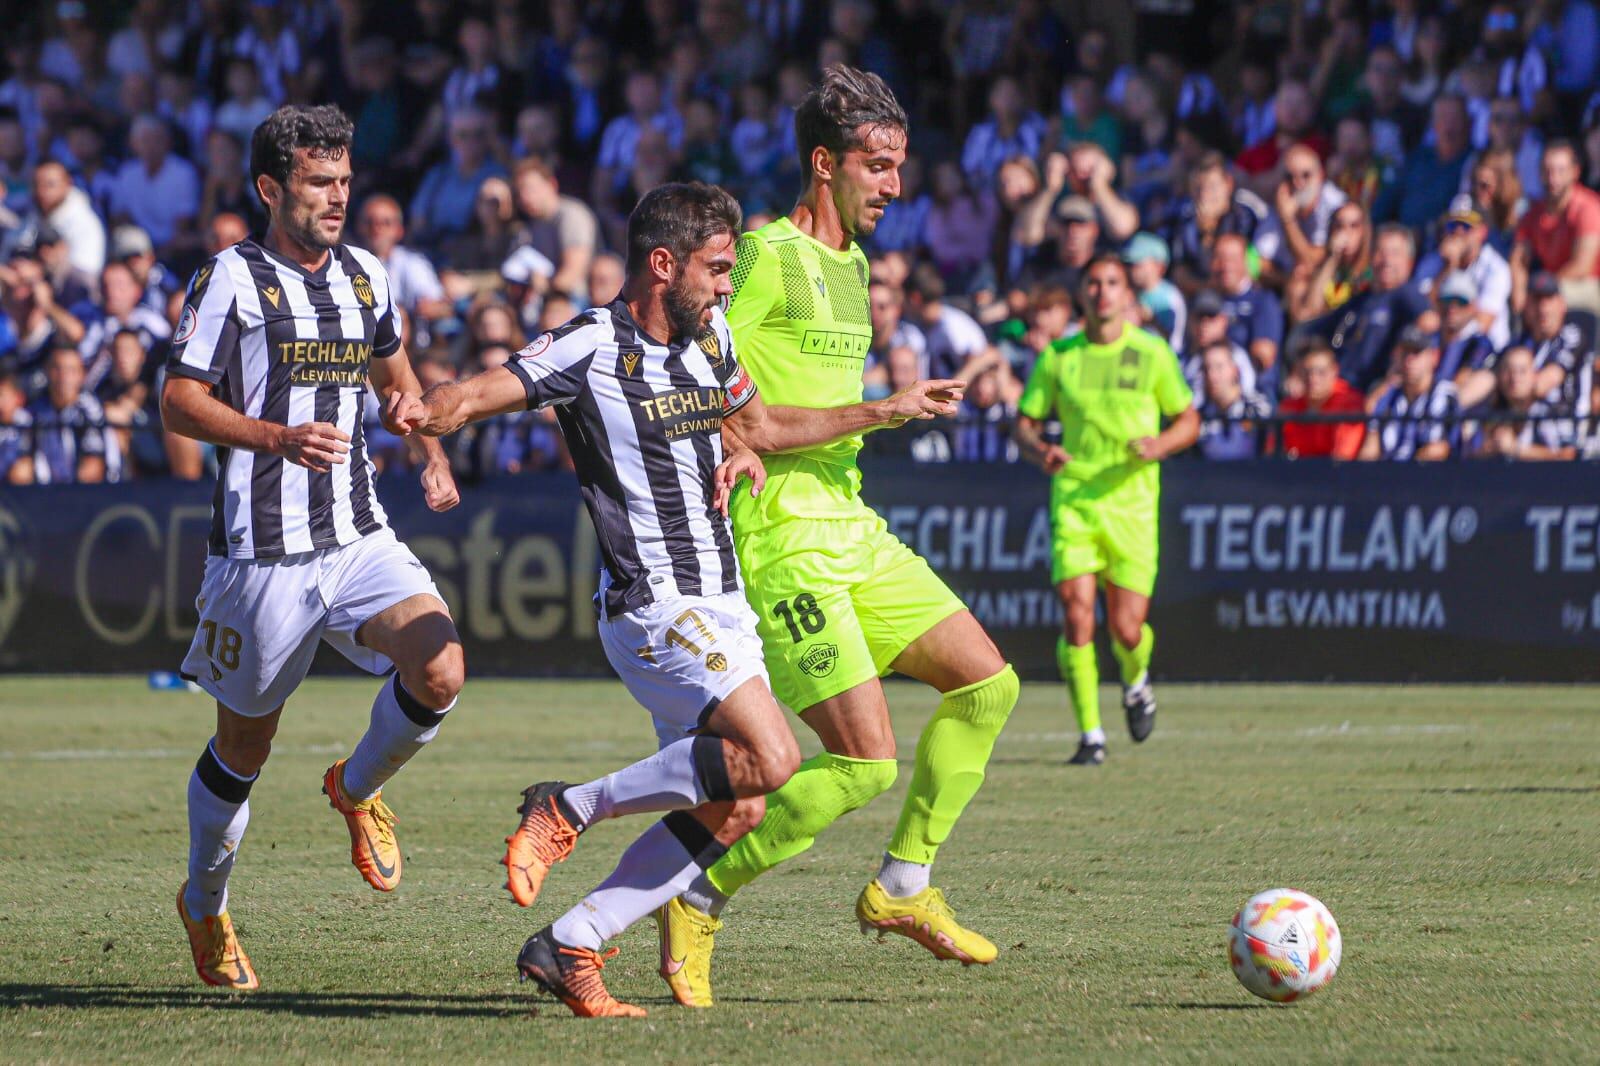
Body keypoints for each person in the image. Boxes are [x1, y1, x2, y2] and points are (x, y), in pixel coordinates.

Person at [390, 181, 963, 1016]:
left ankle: (572, 942)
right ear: (664, 264)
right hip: (652, 601)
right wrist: (426, 411)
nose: (729, 285)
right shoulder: (591, 343)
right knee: (775, 758)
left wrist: (865, 416)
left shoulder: (713, 337)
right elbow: (479, 393)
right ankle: (567, 806)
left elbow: (755, 428)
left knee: (738, 803)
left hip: (721, 596)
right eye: (718, 268)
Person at [658, 67, 1022, 1003]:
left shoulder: (856, 268)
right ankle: (698, 897)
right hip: (777, 533)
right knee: (862, 764)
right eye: (877, 164)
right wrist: (880, 410)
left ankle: (902, 886)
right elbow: (721, 394)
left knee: (988, 685)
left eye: (900, 166)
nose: (894, 185)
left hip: (851, 524)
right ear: (825, 165)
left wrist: (874, 417)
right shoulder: (764, 257)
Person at [160, 105, 464, 992]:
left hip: (356, 535)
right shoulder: (230, 278)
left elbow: (392, 368)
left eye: (345, 179)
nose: (340, 198)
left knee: (441, 668)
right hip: (262, 558)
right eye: (320, 183)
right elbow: (179, 401)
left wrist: (429, 446)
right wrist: (271, 438)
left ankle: (357, 786)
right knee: (243, 749)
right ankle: (206, 906)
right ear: (271, 188)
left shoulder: (367, 275)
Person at [1015, 255, 1199, 765]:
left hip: (1133, 503)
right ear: (1083, 294)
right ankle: (1090, 735)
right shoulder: (1058, 356)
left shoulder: (1152, 352)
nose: (1102, 292)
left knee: (1127, 629)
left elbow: (1189, 420)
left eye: (1112, 283)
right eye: (1093, 283)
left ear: (1125, 294)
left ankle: (1135, 680)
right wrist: (1040, 450)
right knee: (1077, 614)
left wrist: (1160, 445)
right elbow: (1024, 423)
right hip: (1075, 498)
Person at [1512, 140, 1600, 316]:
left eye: (1561, 171)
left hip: (1586, 288)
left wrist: (1543, 288)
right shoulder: (1534, 213)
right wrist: (1518, 291)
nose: (1553, 178)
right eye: (1547, 171)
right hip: (1549, 286)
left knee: (1547, 302)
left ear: (1575, 172)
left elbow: (1582, 266)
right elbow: (1519, 259)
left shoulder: (1588, 208)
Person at [1360, 325, 1459, 460]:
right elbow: (1370, 448)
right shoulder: (1387, 396)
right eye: (1405, 353)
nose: (1409, 360)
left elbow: (1439, 450)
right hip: (1388, 475)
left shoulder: (1444, 395)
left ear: (1434, 357)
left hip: (1430, 476)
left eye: (1417, 353)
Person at [1468, 344, 1577, 460]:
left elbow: (1567, 455)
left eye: (1522, 371)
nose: (1514, 378)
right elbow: (1468, 457)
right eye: (1508, 371)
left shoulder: (1553, 412)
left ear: (1534, 375)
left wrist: (1516, 449)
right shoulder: (1490, 414)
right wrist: (1488, 450)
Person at [27, 343, 116, 483]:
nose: (64, 378)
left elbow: (93, 467)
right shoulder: (35, 410)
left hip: (86, 493)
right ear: (47, 372)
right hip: (44, 491)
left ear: (81, 375)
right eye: (57, 369)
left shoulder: (90, 410)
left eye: (71, 370)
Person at [1277, 341, 1367, 459]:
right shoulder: (1289, 407)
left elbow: (1343, 458)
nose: (1313, 378)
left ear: (1334, 371)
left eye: (1321, 372)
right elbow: (1275, 453)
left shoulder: (1349, 403)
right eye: (1306, 371)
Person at [1194, 340, 1271, 461]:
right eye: (1206, 369)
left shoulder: (1257, 407)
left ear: (1235, 370)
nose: (1211, 375)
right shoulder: (1198, 416)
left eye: (1219, 367)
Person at [1124, 231, 1185, 349]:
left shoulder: (1169, 297)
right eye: (1131, 264)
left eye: (1139, 264)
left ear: (1159, 266)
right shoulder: (1131, 293)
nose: (1133, 269)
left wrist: (1150, 319)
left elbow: (1171, 339)